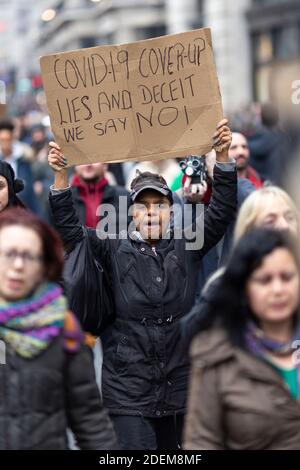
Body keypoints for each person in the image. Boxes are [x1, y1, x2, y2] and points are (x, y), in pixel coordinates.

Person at [48, 118, 237, 450]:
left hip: (180, 384)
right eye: (143, 206)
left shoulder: (188, 243)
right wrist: (61, 177)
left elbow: (220, 210)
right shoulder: (111, 245)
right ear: (131, 212)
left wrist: (222, 157)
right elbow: (69, 229)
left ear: (170, 211)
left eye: (159, 206)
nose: (151, 213)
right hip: (127, 388)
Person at [0, 208, 117, 450]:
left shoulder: (65, 332)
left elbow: (91, 423)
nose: (19, 265)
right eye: (9, 254)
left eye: (30, 256)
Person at [184, 228, 300, 450]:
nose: (278, 289)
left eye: (286, 277)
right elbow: (202, 441)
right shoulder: (216, 354)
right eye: (264, 280)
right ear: (245, 289)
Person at [181, 185, 300, 347]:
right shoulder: (226, 282)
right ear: (249, 229)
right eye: (271, 221)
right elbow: (190, 333)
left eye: (289, 217)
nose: (284, 226)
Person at [0, 120, 40, 213]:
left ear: (12, 138)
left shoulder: (24, 157)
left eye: (7, 139)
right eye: (2, 140)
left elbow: (30, 183)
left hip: (23, 203)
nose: (5, 143)